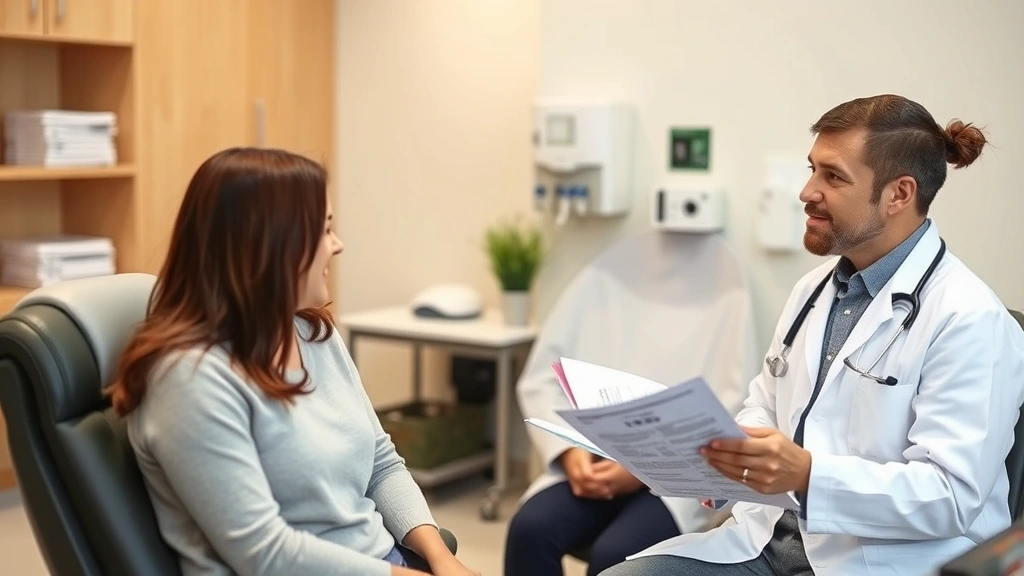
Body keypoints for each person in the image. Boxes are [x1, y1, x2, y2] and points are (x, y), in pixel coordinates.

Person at [598, 94, 1024, 576]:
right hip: (766, 543)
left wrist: (807, 475)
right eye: (812, 169)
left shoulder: (970, 319)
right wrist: (719, 458)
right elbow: (764, 404)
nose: (806, 191)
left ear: (899, 195)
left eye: (833, 177)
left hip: (884, 562)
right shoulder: (814, 290)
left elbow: (951, 497)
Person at [105, 148, 480, 576]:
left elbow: (381, 463)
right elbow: (264, 554)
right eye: (325, 230)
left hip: (382, 563)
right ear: (269, 246)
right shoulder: (189, 380)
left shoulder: (313, 334)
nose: (337, 246)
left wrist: (441, 559)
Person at [504, 230, 759, 576]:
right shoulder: (613, 270)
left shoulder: (727, 282)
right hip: (594, 458)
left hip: (674, 479)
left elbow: (730, 405)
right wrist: (569, 452)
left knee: (618, 555)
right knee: (529, 530)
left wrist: (642, 467)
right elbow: (543, 379)